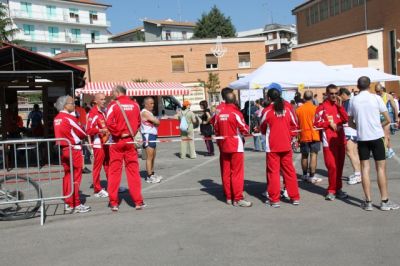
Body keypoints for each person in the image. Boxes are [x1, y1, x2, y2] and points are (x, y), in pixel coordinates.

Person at [348, 76, 399, 211]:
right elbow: (388, 119)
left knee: (365, 168)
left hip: (362, 138)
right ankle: (384, 201)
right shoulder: (376, 98)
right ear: (369, 86)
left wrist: (360, 127)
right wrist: (378, 126)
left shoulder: (354, 100)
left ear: (358, 86)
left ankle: (368, 201)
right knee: (381, 168)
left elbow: (350, 122)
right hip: (377, 137)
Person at [260, 83, 300, 208]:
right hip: (286, 145)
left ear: (269, 98)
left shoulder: (267, 111)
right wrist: (291, 136)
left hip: (272, 146)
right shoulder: (287, 109)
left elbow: (262, 127)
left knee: (273, 173)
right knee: (290, 172)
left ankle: (275, 199)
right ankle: (295, 197)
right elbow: (294, 125)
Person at [106, 85, 145, 211]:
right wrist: (130, 132)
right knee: (133, 171)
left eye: (113, 92)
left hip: (117, 142)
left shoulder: (113, 105)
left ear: (118, 92)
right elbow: (139, 122)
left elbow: (108, 122)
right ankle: (138, 202)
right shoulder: (135, 105)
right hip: (130, 141)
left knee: (114, 172)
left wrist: (118, 133)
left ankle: (114, 203)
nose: (111, 94)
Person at [53, 95, 91, 213]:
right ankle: (76, 203)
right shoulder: (69, 117)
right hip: (73, 149)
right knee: (75, 177)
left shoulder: (57, 118)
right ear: (65, 105)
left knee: (67, 176)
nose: (74, 105)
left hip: (63, 149)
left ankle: (68, 202)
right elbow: (82, 133)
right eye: (72, 103)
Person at [214, 92, 252, 207]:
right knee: (237, 173)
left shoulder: (219, 113)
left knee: (226, 172)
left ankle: (229, 197)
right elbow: (244, 129)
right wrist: (249, 129)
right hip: (236, 146)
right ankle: (238, 198)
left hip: (224, 145)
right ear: (235, 101)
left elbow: (215, 128)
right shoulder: (236, 113)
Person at [314, 84, 348, 201]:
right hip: (328, 143)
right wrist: (328, 124)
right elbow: (316, 123)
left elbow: (345, 119)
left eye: (336, 93)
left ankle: (338, 189)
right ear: (327, 94)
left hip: (341, 141)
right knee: (332, 167)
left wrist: (340, 107)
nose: (334, 96)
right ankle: (331, 190)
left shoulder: (339, 105)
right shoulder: (321, 107)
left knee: (339, 167)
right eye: (331, 94)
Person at [86, 93, 110, 198]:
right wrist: (100, 130)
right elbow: (88, 130)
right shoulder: (93, 113)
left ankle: (112, 186)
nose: (104, 101)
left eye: (105, 99)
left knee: (108, 165)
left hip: (106, 142)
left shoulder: (104, 111)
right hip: (98, 144)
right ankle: (97, 189)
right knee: (97, 167)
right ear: (96, 101)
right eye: (102, 99)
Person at [295, 90, 322, 183]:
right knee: (314, 154)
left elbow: (296, 123)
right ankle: (312, 175)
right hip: (314, 134)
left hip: (303, 134)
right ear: (312, 98)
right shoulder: (316, 108)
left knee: (304, 155)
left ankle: (304, 174)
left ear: (304, 98)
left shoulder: (298, 110)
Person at [339, 88, 361, 185]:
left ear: (344, 94)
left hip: (349, 130)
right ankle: (358, 173)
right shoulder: (351, 101)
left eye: (340, 95)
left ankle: (357, 174)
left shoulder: (347, 102)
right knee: (354, 153)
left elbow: (345, 117)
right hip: (353, 130)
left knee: (350, 153)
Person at [141, 96, 162, 183]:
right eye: (151, 103)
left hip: (152, 135)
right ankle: (149, 176)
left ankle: (152, 174)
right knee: (149, 157)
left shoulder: (149, 113)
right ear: (146, 104)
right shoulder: (145, 112)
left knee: (153, 156)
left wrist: (155, 121)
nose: (153, 105)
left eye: (153, 103)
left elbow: (157, 123)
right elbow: (157, 122)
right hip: (148, 135)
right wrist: (155, 121)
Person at [375, 84, 399, 158]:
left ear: (382, 89)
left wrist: (396, 118)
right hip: (377, 117)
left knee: (385, 135)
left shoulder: (388, 96)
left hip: (385, 117)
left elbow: (394, 107)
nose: (377, 93)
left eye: (378, 91)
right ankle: (389, 149)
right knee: (383, 136)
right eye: (376, 91)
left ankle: (383, 151)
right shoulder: (375, 97)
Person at [74, 97, 92, 174]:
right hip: (80, 132)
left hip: (74, 132)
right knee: (81, 150)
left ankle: (79, 166)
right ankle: (81, 166)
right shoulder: (82, 110)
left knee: (76, 150)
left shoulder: (73, 110)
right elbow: (84, 123)